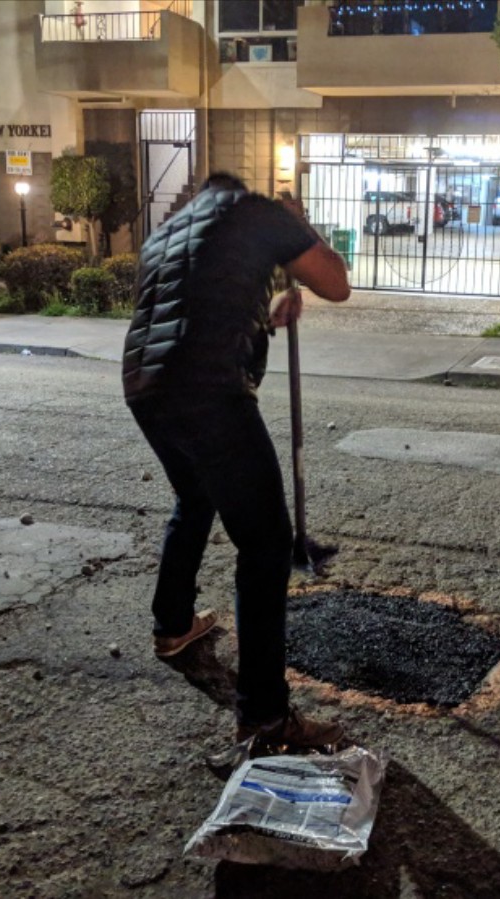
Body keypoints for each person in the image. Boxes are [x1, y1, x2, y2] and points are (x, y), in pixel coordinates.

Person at [122, 172, 351, 749]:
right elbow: (336, 283)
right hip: (208, 390)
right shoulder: (257, 211)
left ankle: (173, 624)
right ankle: (265, 717)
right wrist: (300, 227)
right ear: (240, 192)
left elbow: (196, 304)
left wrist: (267, 312)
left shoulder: (168, 232)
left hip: (146, 385)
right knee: (266, 545)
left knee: (195, 496)